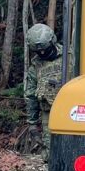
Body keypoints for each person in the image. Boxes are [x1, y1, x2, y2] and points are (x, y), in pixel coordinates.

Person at [24, 23, 62, 152]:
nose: (42, 53)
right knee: (50, 151)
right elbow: (30, 96)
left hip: (73, 112)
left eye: (45, 50)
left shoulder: (70, 57)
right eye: (38, 52)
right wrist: (32, 124)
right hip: (48, 113)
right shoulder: (35, 67)